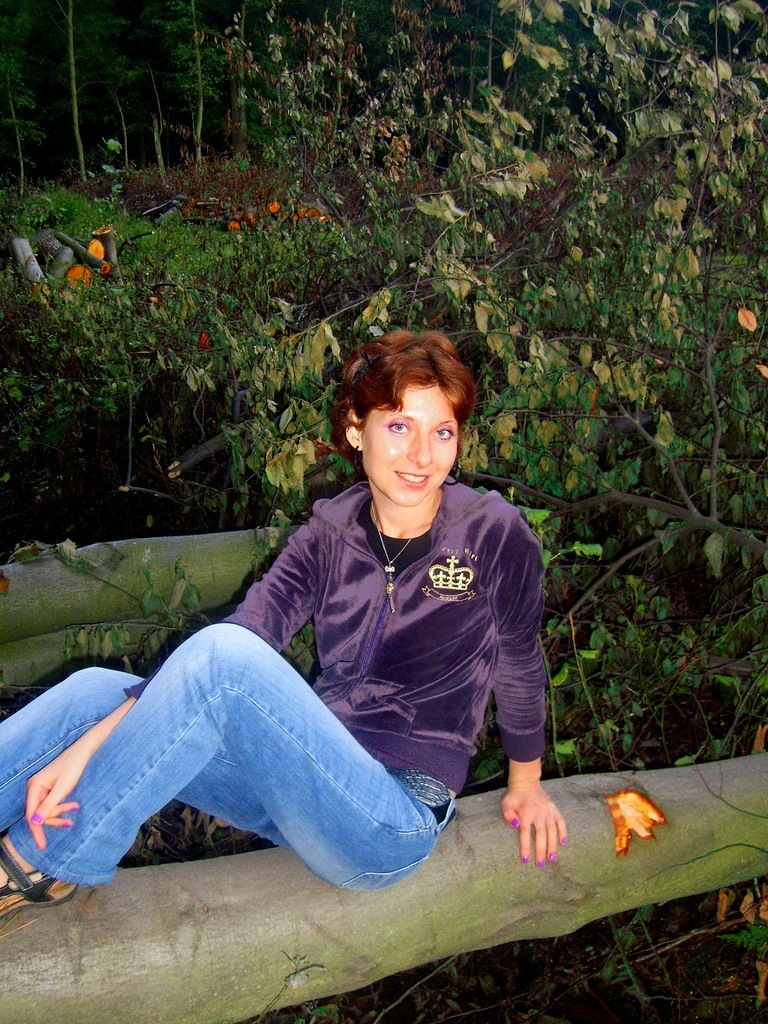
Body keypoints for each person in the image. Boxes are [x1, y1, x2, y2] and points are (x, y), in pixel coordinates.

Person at [0, 329, 566, 920]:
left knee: (223, 658)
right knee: (94, 693)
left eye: (442, 432)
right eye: (400, 426)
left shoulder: (491, 532)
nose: (423, 455)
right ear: (356, 429)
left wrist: (526, 783)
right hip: (298, 789)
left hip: (391, 820)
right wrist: (92, 740)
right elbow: (254, 627)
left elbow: (519, 660)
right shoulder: (329, 534)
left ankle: (39, 862)